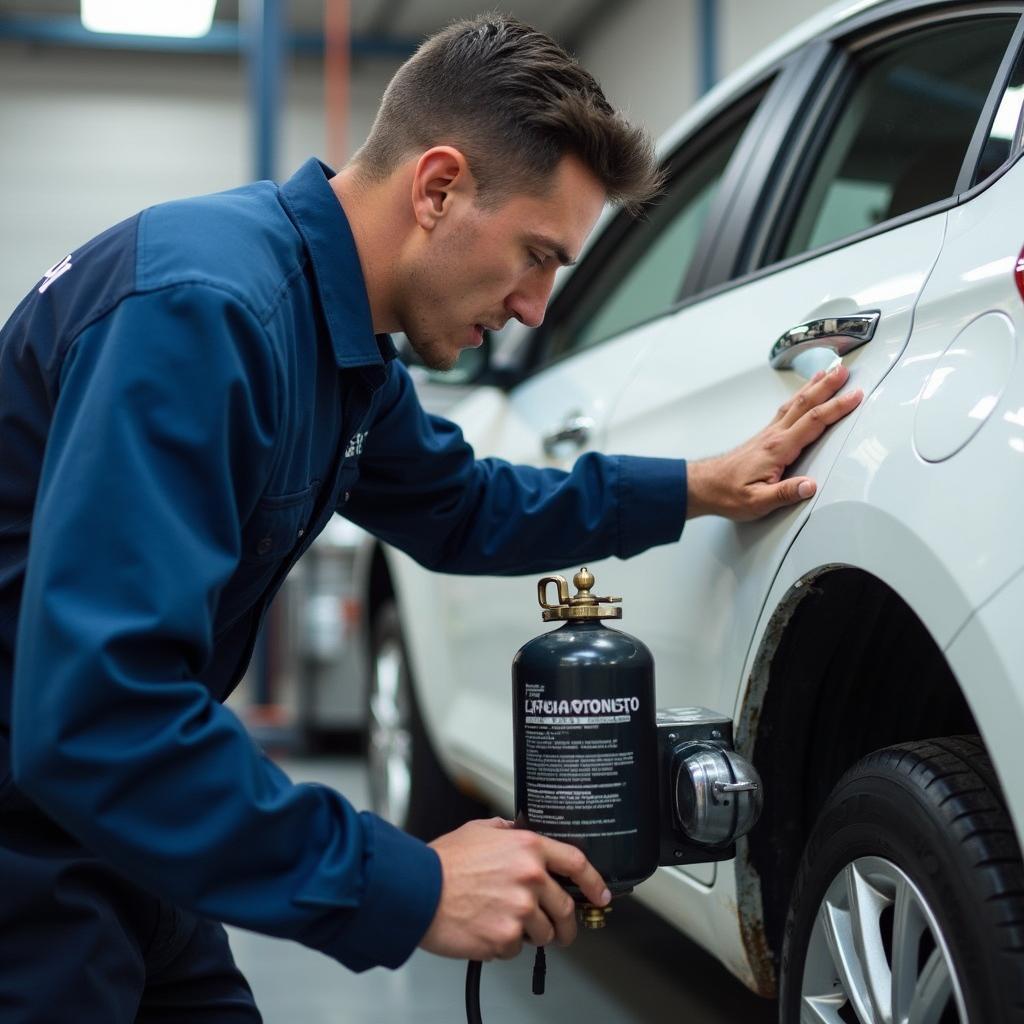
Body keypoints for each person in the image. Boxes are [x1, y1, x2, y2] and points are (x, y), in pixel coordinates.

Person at [0, 13, 862, 1021]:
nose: (538, 308)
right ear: (439, 186)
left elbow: (460, 505)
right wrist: (411, 883)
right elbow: (99, 710)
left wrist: (692, 485)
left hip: (119, 823)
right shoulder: (207, 310)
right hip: (32, 835)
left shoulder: (340, 343)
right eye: (536, 255)